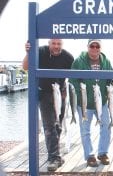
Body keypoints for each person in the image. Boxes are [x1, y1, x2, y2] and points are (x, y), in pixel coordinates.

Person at [22, 39, 74, 171]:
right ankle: (53, 158)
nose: (56, 46)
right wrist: (28, 52)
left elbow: (73, 77)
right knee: (49, 127)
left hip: (60, 94)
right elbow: (26, 67)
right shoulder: (39, 51)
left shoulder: (68, 57)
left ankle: (55, 156)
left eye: (59, 44)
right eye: (54, 44)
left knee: (58, 126)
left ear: (62, 44)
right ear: (49, 43)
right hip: (44, 94)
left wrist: (67, 91)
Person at [69, 39, 112, 167]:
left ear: (100, 48)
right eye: (92, 46)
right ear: (87, 47)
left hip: (102, 102)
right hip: (84, 104)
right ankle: (90, 156)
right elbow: (72, 80)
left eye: (97, 46)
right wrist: (83, 93)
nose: (94, 48)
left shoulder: (106, 61)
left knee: (106, 127)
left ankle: (102, 153)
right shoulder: (78, 61)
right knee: (85, 130)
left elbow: (110, 79)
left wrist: (106, 93)